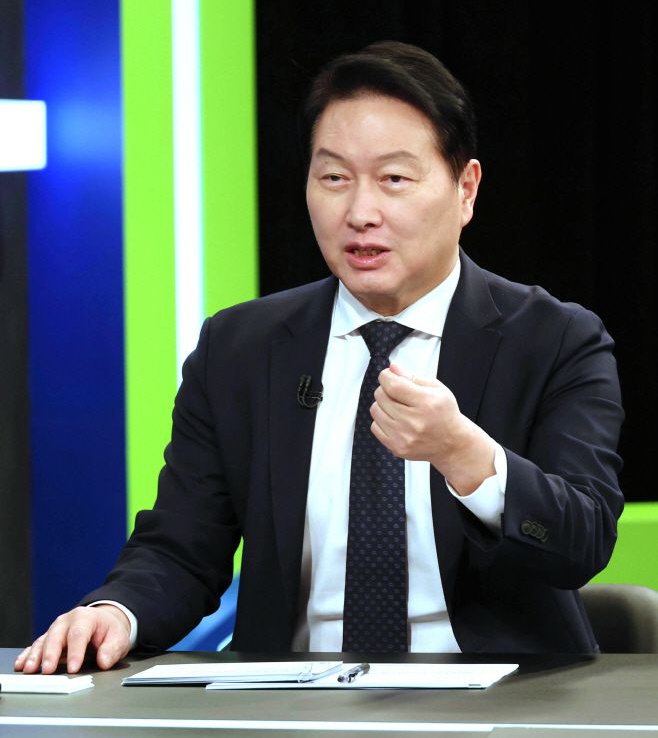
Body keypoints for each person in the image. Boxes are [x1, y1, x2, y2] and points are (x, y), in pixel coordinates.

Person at [16, 41, 623, 675]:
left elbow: (580, 541)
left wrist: (464, 454)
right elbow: (181, 548)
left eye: (394, 179)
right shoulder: (239, 349)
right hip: (292, 699)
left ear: (465, 189)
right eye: (334, 178)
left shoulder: (556, 340)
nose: (360, 213)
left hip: (498, 699)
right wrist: (116, 612)